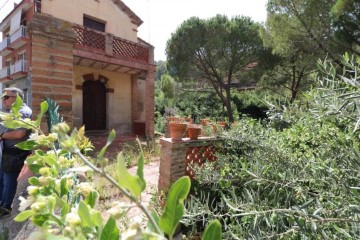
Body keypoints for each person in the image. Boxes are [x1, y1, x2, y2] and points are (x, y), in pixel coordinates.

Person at [0, 87, 32, 218]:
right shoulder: (10, 111)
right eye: (2, 97)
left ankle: (5, 208)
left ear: (17, 98)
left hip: (16, 153)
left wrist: (2, 135)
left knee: (9, 180)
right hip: (7, 152)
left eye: (6, 97)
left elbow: (20, 133)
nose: (3, 100)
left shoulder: (23, 111)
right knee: (2, 178)